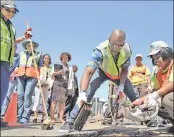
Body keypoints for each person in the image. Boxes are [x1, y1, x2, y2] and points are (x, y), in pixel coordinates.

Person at [59, 29, 138, 133]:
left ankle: (150, 118)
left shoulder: (127, 49)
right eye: (114, 45)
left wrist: (121, 87)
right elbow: (88, 72)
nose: (116, 48)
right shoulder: (100, 50)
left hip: (118, 75)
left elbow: (125, 69)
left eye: (120, 46)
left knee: (133, 95)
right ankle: (70, 121)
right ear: (109, 40)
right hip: (102, 72)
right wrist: (82, 92)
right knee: (87, 94)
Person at [0, 0, 32, 127]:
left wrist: (24, 37)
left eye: (13, 11)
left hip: (6, 61)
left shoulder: (11, 27)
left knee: (2, 90)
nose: (11, 13)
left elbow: (13, 42)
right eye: (8, 10)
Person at [132, 41, 174, 133]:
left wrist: (153, 96)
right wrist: (141, 101)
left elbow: (171, 84)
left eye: (158, 57)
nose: (155, 61)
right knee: (150, 105)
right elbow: (155, 91)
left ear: (167, 54)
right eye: (153, 59)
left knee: (167, 99)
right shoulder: (159, 73)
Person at [15, 40, 43, 124]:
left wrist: (41, 75)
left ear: (34, 47)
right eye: (29, 45)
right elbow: (16, 64)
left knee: (27, 95)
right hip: (20, 76)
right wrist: (15, 70)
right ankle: (20, 116)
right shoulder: (21, 54)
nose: (31, 47)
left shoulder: (38, 54)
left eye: (32, 46)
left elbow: (41, 66)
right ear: (26, 47)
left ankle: (25, 117)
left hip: (32, 76)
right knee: (20, 95)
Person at [50, 52, 73, 123]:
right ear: (61, 58)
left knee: (62, 103)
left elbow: (71, 78)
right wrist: (58, 73)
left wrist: (70, 88)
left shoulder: (70, 68)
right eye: (63, 57)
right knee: (54, 101)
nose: (65, 59)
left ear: (68, 59)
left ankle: (61, 118)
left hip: (64, 86)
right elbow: (51, 75)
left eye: (66, 58)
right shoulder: (56, 65)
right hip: (56, 85)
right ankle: (52, 118)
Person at [32, 54, 52, 123]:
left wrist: (48, 84)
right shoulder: (40, 67)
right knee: (37, 100)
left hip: (46, 86)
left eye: (48, 58)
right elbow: (37, 75)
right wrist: (39, 83)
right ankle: (35, 116)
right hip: (39, 86)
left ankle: (43, 117)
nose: (47, 59)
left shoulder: (51, 68)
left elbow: (51, 78)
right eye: (45, 58)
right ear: (43, 59)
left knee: (45, 102)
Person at [1, 45, 19, 118]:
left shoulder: (18, 57)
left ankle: (2, 113)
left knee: (7, 95)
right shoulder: (5, 55)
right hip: (3, 75)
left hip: (11, 78)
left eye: (14, 47)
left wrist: (12, 74)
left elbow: (17, 67)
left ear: (16, 48)